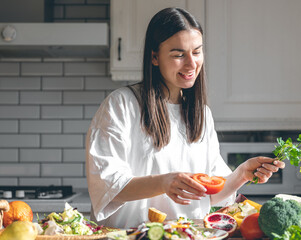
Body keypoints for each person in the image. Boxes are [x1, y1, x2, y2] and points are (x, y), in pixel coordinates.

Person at [86, 7, 285, 229]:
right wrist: (163, 182)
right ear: (154, 57)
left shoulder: (201, 113)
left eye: (197, 52)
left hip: (189, 234)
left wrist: (242, 173)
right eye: (179, 55)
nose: (191, 64)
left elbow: (208, 196)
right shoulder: (121, 105)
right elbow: (107, 187)